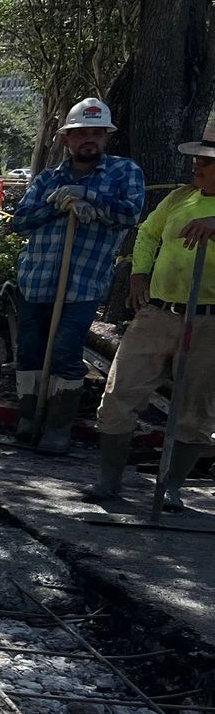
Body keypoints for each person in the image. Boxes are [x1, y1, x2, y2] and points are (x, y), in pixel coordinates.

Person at [84, 116, 215, 506]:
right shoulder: (178, 198)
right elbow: (148, 233)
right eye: (198, 159)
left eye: (206, 161)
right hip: (159, 314)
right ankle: (109, 481)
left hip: (209, 321)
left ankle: (170, 487)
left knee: (195, 409)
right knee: (119, 394)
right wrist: (139, 273)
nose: (196, 165)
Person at [10, 98, 145, 452]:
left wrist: (90, 198)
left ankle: (57, 428)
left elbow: (130, 213)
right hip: (36, 280)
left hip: (83, 284)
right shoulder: (48, 178)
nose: (89, 139)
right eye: (81, 133)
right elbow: (20, 221)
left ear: (106, 137)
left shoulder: (124, 172)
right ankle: (29, 418)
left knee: (66, 353)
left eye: (96, 133)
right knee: (30, 352)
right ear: (67, 138)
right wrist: (56, 205)